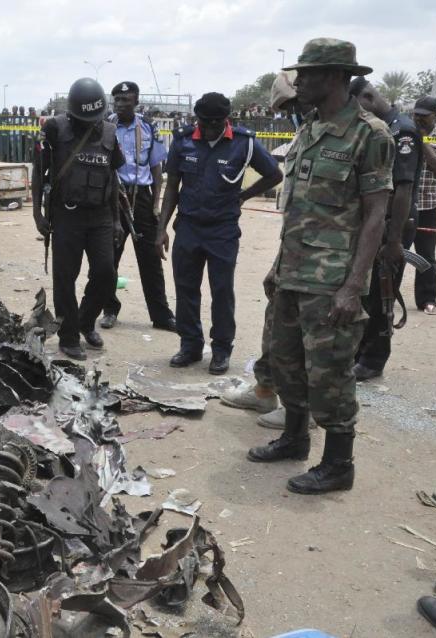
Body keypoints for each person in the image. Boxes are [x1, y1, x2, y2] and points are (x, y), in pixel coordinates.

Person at [247, 38, 393, 495]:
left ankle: (338, 464)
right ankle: (294, 438)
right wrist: (277, 264)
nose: (299, 81)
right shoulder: (311, 127)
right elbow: (300, 208)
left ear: (333, 76)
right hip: (293, 270)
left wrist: (354, 286)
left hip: (332, 280)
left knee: (330, 372)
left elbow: (376, 214)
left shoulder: (371, 134)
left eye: (306, 74)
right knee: (286, 360)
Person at [156, 92, 282, 374]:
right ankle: (190, 345)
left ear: (227, 119)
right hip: (188, 227)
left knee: (222, 290)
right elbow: (172, 186)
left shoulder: (243, 143)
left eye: (217, 123)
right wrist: (161, 228)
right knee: (185, 288)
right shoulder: (183, 140)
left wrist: (244, 196)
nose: (211, 128)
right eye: (205, 122)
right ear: (197, 119)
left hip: (222, 230)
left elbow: (275, 174)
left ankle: (221, 349)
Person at [222, 70, 311, 428]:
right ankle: (265, 390)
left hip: (325, 257)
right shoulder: (307, 132)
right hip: (294, 245)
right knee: (277, 315)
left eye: (291, 106)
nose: (289, 113)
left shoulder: (356, 133)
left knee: (309, 332)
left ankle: (300, 409)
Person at [32, 77, 124, 361]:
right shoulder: (55, 129)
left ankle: (85, 320)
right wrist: (37, 212)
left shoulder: (109, 132)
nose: (90, 123)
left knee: (106, 274)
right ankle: (69, 336)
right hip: (66, 215)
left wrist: (118, 220)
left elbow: (113, 179)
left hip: (101, 216)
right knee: (65, 278)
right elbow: (39, 172)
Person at [348, 77, 423, 381]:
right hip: (380, 221)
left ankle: (374, 360)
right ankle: (362, 351)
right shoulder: (382, 127)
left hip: (395, 223)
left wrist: (393, 240)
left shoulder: (400, 129)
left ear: (368, 96)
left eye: (358, 107)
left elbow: (403, 189)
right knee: (369, 292)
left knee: (383, 293)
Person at [100, 81, 176, 332]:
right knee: (109, 258)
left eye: (126, 101)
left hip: (141, 197)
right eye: (117, 101)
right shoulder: (105, 127)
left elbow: (156, 167)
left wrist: (155, 202)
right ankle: (109, 309)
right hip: (114, 198)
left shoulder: (147, 127)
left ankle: (161, 315)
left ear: (136, 102)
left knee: (151, 259)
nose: (121, 105)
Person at [409, 96, 436, 315]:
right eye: (417, 115)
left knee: (426, 255)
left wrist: (422, 142)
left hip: (427, 205)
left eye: (424, 115)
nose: (419, 119)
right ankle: (388, 294)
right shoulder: (404, 132)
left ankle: (427, 299)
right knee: (395, 251)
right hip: (402, 204)